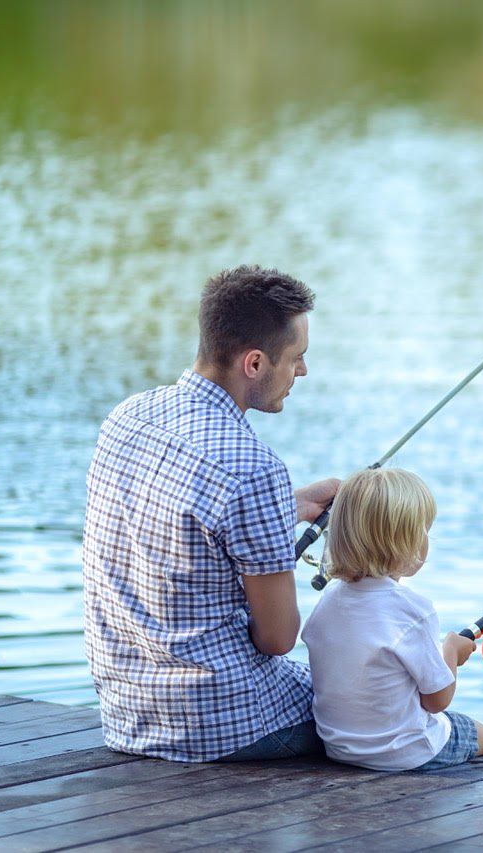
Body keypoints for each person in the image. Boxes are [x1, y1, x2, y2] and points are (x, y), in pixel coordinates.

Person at [82, 265, 339, 762]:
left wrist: (296, 504)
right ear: (255, 363)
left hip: (127, 715)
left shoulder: (127, 417)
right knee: (388, 711)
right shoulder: (253, 468)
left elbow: (179, 524)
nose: (303, 372)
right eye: (297, 358)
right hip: (222, 724)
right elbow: (278, 639)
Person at [301, 467, 483, 771]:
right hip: (406, 752)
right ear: (404, 543)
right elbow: (437, 701)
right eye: (424, 530)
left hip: (339, 747)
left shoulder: (329, 599)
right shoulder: (413, 610)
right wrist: (451, 649)